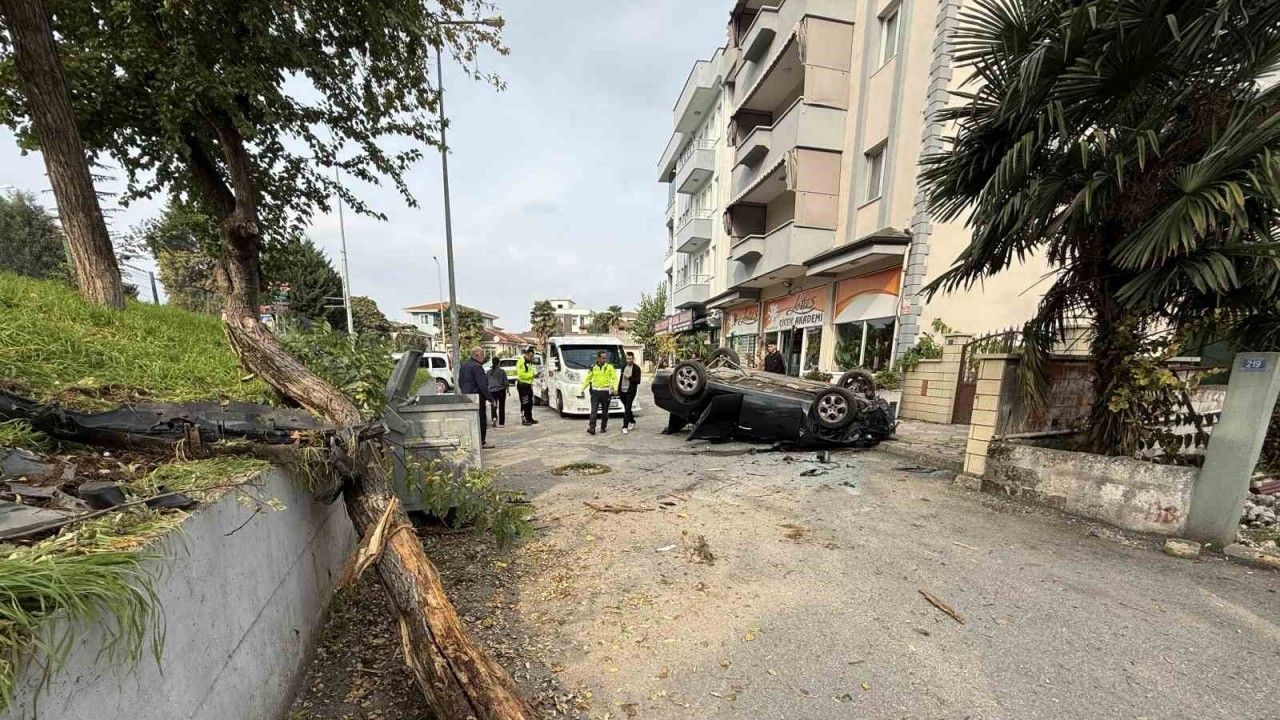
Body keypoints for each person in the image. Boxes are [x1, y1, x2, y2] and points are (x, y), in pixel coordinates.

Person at [458, 347, 495, 448]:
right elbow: (482, 386)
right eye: (482, 355)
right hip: (477, 397)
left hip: (466, 396)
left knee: (470, 421)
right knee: (481, 420)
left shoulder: (464, 365)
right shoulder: (477, 367)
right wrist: (491, 399)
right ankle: (481, 442)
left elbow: (460, 381)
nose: (484, 357)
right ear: (477, 355)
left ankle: (472, 441)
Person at [582, 350, 618, 435]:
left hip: (605, 392)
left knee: (605, 412)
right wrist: (582, 389)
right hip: (595, 392)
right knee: (593, 411)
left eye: (605, 358)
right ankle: (592, 428)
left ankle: (603, 427)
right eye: (603, 358)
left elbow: (614, 378)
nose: (604, 360)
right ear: (598, 358)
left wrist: (615, 388)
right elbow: (588, 379)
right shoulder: (593, 367)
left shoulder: (609, 367)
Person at [617, 351, 641, 434]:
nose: (628, 360)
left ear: (633, 359)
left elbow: (638, 381)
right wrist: (618, 389)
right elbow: (621, 378)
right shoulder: (624, 366)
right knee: (627, 407)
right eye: (627, 359)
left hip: (631, 391)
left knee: (627, 408)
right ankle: (632, 420)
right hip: (622, 391)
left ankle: (625, 426)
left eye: (630, 359)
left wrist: (629, 377)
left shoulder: (636, 368)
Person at [515, 347, 539, 426]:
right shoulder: (521, 361)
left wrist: (535, 374)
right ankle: (524, 419)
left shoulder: (530, 361)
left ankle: (529, 418)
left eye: (532, 356)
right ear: (526, 354)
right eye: (530, 356)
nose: (531, 357)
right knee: (524, 402)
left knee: (530, 402)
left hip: (528, 384)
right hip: (522, 384)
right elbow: (521, 374)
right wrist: (532, 375)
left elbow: (532, 370)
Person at [487, 356, 508, 427]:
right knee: (502, 407)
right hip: (501, 390)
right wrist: (507, 389)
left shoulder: (488, 372)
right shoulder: (502, 371)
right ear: (499, 363)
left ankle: (494, 417)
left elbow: (486, 382)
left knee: (493, 405)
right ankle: (501, 423)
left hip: (491, 391)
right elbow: (506, 382)